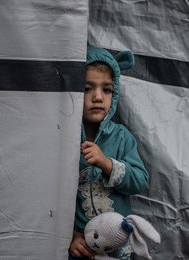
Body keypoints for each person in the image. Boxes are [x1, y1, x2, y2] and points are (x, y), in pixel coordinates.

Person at [69, 45, 149, 259]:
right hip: (81, 247)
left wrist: (107, 164)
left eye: (106, 89)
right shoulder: (65, 139)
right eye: (87, 88)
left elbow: (140, 180)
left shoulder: (121, 137)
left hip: (117, 249)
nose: (97, 97)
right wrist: (70, 237)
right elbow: (51, 198)